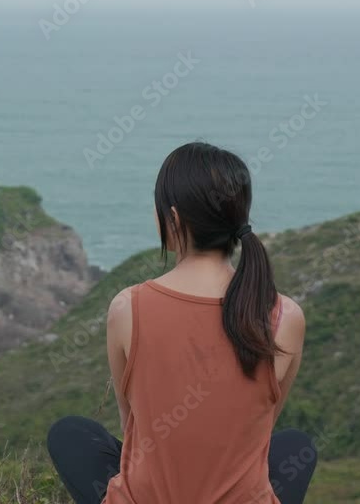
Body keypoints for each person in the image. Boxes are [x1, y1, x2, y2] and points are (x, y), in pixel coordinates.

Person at [48, 142, 315, 504]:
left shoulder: (128, 307)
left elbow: (133, 424)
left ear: (173, 218)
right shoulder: (286, 317)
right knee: (296, 447)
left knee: (71, 434)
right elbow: (260, 429)